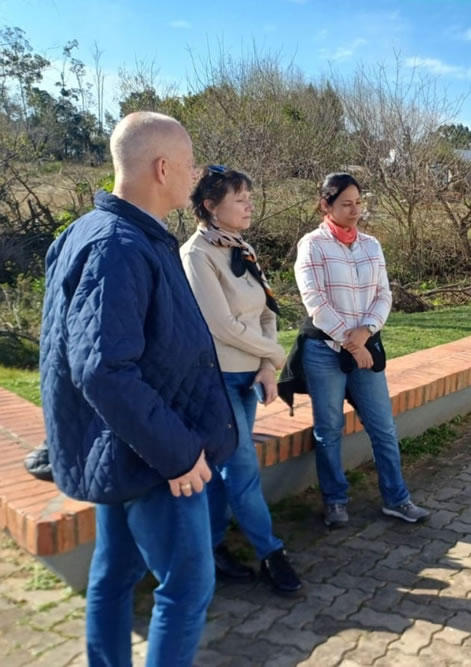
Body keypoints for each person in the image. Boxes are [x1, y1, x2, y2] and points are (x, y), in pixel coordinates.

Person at [39, 112, 238, 667]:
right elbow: (101, 368)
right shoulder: (118, 245)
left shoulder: (106, 233)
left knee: (115, 575)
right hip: (155, 458)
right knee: (186, 589)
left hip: (124, 447)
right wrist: (179, 454)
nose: (196, 174)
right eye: (191, 163)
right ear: (162, 167)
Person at [180, 165, 302, 595]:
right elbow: (221, 326)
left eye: (249, 197)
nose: (249, 205)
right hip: (218, 380)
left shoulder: (240, 247)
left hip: (250, 377)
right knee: (242, 468)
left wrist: (267, 365)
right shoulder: (196, 255)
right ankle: (271, 552)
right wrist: (276, 353)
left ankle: (213, 547)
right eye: (239, 199)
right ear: (210, 206)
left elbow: (268, 310)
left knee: (223, 467)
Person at [291, 172, 429, 528]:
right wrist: (350, 342)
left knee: (383, 427)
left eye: (358, 204)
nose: (355, 211)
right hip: (324, 351)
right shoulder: (312, 245)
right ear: (326, 205)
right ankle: (335, 501)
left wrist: (366, 332)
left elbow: (384, 294)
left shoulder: (371, 245)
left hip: (366, 345)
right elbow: (314, 302)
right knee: (329, 429)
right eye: (346, 204)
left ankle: (397, 499)